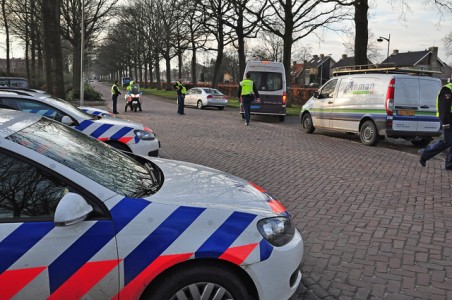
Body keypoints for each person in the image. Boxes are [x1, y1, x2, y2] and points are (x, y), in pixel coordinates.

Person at [419, 81, 452, 169]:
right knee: (446, 141)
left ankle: (450, 164)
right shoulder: (447, 89)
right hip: (448, 120)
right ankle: (425, 153)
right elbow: (443, 108)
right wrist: (445, 122)